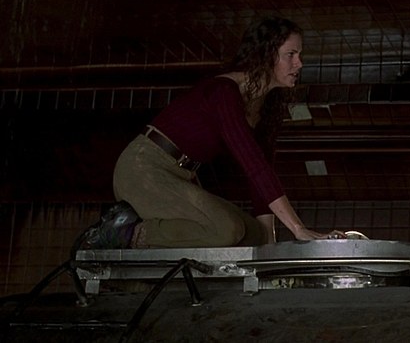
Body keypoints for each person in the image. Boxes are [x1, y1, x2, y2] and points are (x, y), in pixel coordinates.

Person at [74, 16, 344, 251]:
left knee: (253, 236)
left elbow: (262, 178)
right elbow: (253, 165)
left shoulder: (264, 108)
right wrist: (298, 228)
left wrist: (268, 246)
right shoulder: (223, 92)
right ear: (266, 54)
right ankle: (123, 232)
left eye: (299, 55)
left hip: (181, 176)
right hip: (144, 168)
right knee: (226, 230)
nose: (299, 63)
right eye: (291, 55)